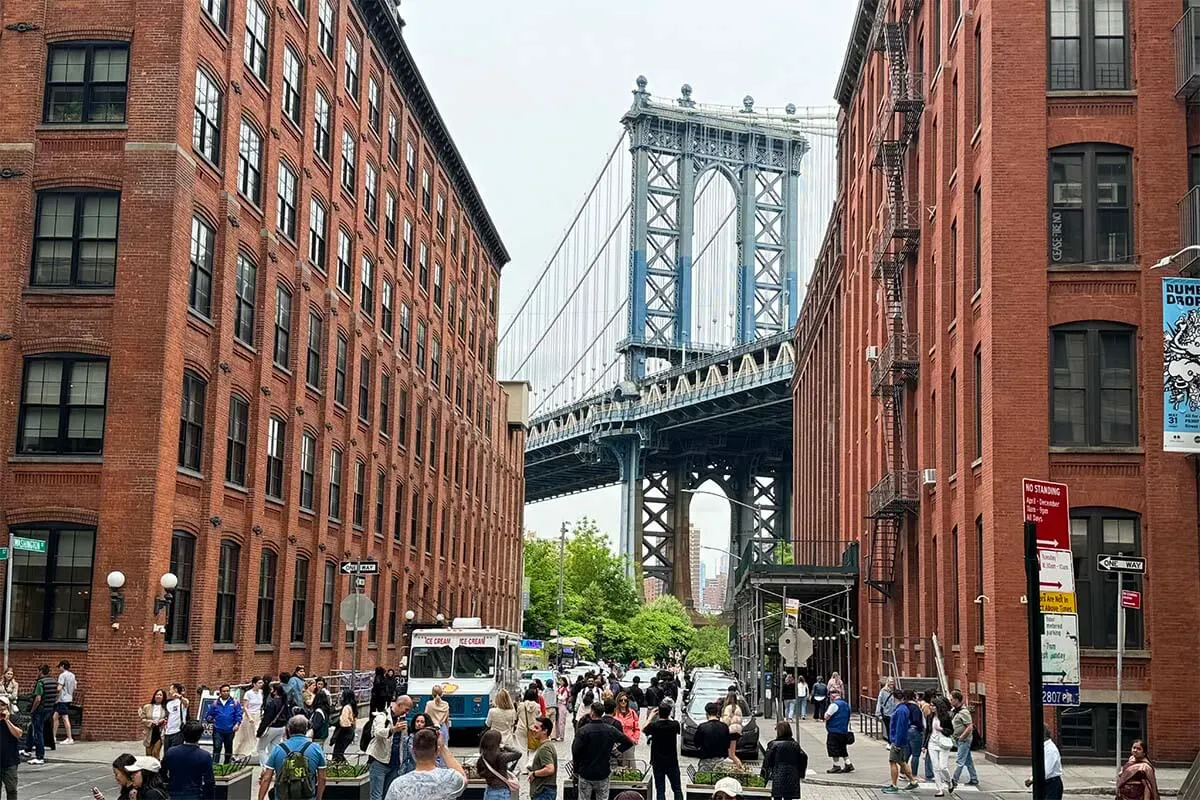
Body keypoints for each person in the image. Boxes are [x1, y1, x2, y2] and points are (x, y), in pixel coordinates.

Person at [572, 703, 634, 800]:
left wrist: (576, 769)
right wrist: (616, 751)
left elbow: (575, 751)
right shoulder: (610, 730)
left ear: (592, 712)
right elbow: (628, 742)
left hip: (586, 772)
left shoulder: (583, 731)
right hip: (603, 772)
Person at [385, 727, 467, 800]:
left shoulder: (398, 785)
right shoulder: (450, 778)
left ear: (413, 751)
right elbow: (463, 778)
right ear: (437, 751)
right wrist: (442, 747)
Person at [258, 715, 327, 800]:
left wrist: (260, 798)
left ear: (288, 729)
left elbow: (266, 778)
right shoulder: (316, 748)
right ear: (306, 730)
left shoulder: (278, 749)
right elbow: (322, 778)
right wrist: (318, 798)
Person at [366, 698, 410, 800]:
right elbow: (378, 733)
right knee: (376, 796)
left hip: (394, 764)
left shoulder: (402, 719)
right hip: (379, 761)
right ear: (399, 705)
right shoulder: (382, 717)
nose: (407, 712)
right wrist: (394, 729)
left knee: (389, 796)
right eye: (406, 709)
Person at [162, 720, 215, 800]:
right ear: (200, 735)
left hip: (173, 793)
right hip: (195, 794)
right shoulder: (204, 756)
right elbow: (209, 782)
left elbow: (162, 772)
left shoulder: (171, 752)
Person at [642, 702, 682, 800]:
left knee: (660, 790)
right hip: (672, 761)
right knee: (677, 789)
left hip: (657, 761)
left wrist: (650, 716)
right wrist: (668, 715)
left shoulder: (654, 726)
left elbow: (643, 729)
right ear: (669, 713)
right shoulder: (675, 725)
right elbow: (676, 725)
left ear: (659, 713)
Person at [883, 692, 918, 793]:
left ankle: (894, 785)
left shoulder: (900, 710)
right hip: (900, 740)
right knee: (902, 762)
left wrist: (896, 742)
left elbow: (900, 727)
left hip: (898, 741)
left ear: (894, 698)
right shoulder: (902, 709)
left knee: (892, 761)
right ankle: (912, 781)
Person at [762, 721, 807, 800]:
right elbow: (803, 758)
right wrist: (800, 773)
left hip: (778, 773)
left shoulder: (773, 745)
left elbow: (767, 762)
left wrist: (764, 776)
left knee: (777, 796)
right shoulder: (795, 745)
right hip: (792, 773)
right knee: (789, 797)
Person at [23, 664, 55, 765]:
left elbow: (38, 698)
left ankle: (39, 756)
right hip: (48, 709)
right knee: (32, 728)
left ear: (41, 671)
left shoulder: (41, 682)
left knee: (38, 732)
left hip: (40, 710)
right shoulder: (53, 681)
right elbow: (57, 694)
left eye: (38, 671)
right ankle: (27, 749)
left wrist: (33, 709)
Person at [477, 728, 521, 800]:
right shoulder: (501, 756)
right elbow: (518, 754)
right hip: (501, 792)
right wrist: (504, 746)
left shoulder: (482, 757)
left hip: (489, 791)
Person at [205, 683, 243, 764]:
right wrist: (211, 719)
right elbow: (208, 716)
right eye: (224, 691)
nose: (226, 693)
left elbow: (238, 715)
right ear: (220, 692)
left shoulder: (235, 703)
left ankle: (227, 765)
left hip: (230, 730)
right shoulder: (215, 703)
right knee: (217, 747)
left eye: (227, 691)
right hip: (218, 730)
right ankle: (215, 765)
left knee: (228, 748)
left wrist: (237, 724)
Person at [926, 697, 956, 797]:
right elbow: (927, 732)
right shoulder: (929, 717)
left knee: (943, 767)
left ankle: (949, 781)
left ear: (938, 706)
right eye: (930, 705)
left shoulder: (946, 717)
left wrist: (941, 729)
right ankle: (940, 789)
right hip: (932, 743)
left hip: (943, 743)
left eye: (933, 705)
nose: (931, 707)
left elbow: (951, 731)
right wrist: (924, 745)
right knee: (936, 767)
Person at [104, 754, 169, 800]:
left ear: (145, 773)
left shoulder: (152, 794)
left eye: (135, 772)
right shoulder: (140, 791)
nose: (131, 775)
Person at [949, 690, 978, 788]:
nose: (950, 701)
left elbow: (969, 726)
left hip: (964, 740)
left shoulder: (963, 712)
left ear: (957, 700)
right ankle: (974, 778)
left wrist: (962, 737)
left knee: (960, 761)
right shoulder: (956, 711)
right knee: (967, 760)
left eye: (952, 699)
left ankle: (954, 780)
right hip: (959, 739)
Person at [257, 682, 291, 767]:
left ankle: (266, 767)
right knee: (274, 748)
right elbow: (288, 715)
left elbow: (266, 719)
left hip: (271, 727)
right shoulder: (284, 702)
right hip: (281, 727)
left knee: (261, 749)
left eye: (272, 690)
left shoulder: (272, 703)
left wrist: (260, 731)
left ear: (275, 691)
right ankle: (275, 767)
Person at [694, 701, 732, 773]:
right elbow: (728, 744)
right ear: (717, 713)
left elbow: (696, 743)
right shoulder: (724, 727)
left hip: (705, 761)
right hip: (721, 761)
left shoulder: (702, 727)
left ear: (707, 714)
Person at [1026, 730, 1064, 800]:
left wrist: (1032, 779)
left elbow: (1046, 770)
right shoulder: (1044, 747)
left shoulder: (1051, 750)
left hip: (1052, 784)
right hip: (1046, 782)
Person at [823, 690, 853, 774]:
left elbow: (826, 716)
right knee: (842, 748)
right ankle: (848, 764)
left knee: (833, 748)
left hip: (834, 730)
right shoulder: (846, 705)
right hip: (844, 730)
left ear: (832, 696)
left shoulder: (834, 705)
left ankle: (836, 766)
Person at [526, 717, 558, 800]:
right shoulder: (546, 746)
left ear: (545, 731)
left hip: (543, 791)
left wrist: (534, 773)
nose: (533, 730)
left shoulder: (545, 748)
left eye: (537, 728)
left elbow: (550, 769)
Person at [235, 676, 265, 757]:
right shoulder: (248, 693)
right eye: (259, 683)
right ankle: (238, 752)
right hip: (249, 716)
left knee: (256, 734)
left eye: (261, 683)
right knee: (245, 735)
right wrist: (250, 717)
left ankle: (252, 752)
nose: (261, 684)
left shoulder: (261, 692)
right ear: (254, 684)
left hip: (258, 715)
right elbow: (245, 707)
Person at [0, 696, 23, 800]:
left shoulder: (13, 718)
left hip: (10, 760)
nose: (0, 707)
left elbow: (18, 734)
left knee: (12, 789)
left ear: (7, 707)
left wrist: (7, 721)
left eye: (3, 705)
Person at [138, 689, 168, 759]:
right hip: (149, 731)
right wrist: (150, 722)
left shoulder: (165, 708)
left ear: (163, 697)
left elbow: (167, 718)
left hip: (159, 732)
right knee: (149, 754)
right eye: (157, 694)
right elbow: (142, 719)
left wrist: (163, 720)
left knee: (155, 753)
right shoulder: (147, 707)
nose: (158, 696)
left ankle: (158, 768)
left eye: (160, 695)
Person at [719, 687, 745, 770]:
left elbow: (726, 721)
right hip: (737, 731)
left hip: (730, 732)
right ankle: (736, 768)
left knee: (731, 754)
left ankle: (741, 768)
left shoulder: (728, 708)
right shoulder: (738, 707)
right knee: (732, 753)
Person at [161, 683, 189, 758]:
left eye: (171, 689)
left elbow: (186, 703)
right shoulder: (169, 703)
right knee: (166, 754)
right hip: (168, 732)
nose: (169, 691)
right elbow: (168, 716)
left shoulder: (182, 702)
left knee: (175, 754)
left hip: (177, 731)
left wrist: (180, 697)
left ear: (175, 690)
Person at [331, 688, 359, 763]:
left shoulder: (346, 707)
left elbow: (344, 723)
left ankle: (340, 768)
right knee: (340, 752)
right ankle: (343, 766)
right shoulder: (353, 707)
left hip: (344, 732)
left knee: (337, 753)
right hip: (350, 731)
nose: (341, 698)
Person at [53, 660, 76, 745]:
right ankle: (53, 737)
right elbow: (75, 686)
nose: (59, 668)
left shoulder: (62, 675)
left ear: (62, 666)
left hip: (62, 699)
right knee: (55, 716)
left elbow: (59, 688)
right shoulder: (72, 675)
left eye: (60, 666)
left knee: (65, 718)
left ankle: (70, 738)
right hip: (69, 698)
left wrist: (56, 690)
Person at [613, 693, 639, 766]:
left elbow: (636, 728)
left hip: (630, 742)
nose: (623, 702)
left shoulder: (632, 713)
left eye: (625, 700)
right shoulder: (614, 713)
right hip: (617, 743)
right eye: (621, 700)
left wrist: (635, 738)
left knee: (630, 764)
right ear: (618, 701)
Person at [514, 687, 542, 754]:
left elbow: (517, 716)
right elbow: (539, 717)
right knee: (533, 749)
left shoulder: (521, 705)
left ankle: (524, 762)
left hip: (521, 728)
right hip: (533, 730)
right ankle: (530, 763)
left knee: (522, 749)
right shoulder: (537, 706)